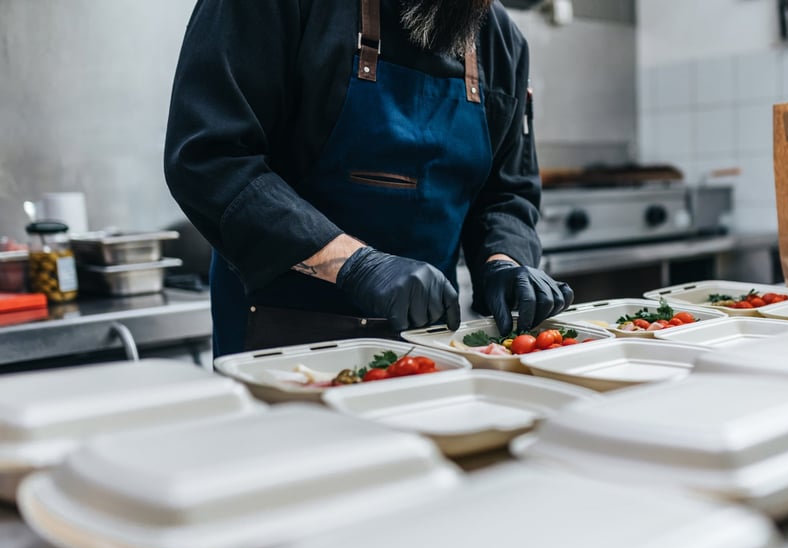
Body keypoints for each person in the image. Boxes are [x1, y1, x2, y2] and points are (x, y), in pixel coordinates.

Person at [164, 0, 573, 357]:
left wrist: (502, 262)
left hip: (428, 344)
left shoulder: (498, 36)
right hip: (282, 340)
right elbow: (212, 159)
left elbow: (505, 194)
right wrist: (357, 265)